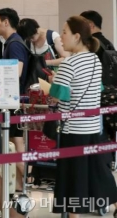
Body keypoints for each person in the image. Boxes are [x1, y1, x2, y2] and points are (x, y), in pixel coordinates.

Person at [49, 16, 117, 216]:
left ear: (77, 36)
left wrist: (53, 82)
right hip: (94, 127)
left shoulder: (69, 64)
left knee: (73, 176)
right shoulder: (94, 59)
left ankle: (74, 215)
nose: (61, 37)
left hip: (73, 130)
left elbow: (56, 97)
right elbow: (98, 89)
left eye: (64, 32)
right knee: (99, 173)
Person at [0, 8, 30, 191]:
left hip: (13, 101)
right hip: (12, 100)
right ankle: (19, 184)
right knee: (15, 142)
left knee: (16, 142)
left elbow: (16, 71)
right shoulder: (11, 43)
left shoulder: (14, 44)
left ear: (6, 22)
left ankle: (28, 177)